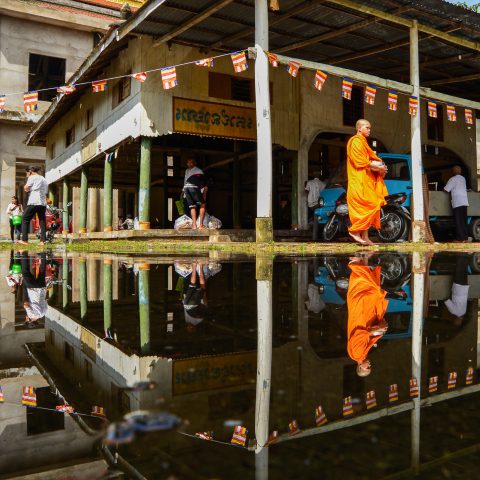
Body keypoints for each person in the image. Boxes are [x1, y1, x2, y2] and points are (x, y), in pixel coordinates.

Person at [346, 119, 388, 246]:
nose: (369, 130)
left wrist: (379, 168)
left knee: (371, 206)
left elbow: (368, 161)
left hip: (366, 180)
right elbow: (359, 162)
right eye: (367, 127)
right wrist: (378, 167)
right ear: (359, 128)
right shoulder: (355, 142)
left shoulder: (364, 143)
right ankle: (354, 231)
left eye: (370, 128)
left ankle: (365, 237)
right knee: (372, 205)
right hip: (358, 181)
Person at [347, 256, 389, 377]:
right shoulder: (362, 354)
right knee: (368, 285)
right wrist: (381, 328)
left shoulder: (357, 354)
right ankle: (363, 255)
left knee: (369, 288)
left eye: (367, 367)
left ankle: (356, 260)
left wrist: (377, 330)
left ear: (360, 367)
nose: (370, 365)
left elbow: (360, 334)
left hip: (361, 311)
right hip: (365, 312)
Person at [18, 166, 48, 245]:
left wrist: (27, 179)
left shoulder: (31, 177)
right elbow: (45, 190)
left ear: (30, 171)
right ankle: (43, 241)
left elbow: (26, 188)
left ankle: (24, 240)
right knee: (42, 220)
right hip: (43, 202)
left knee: (25, 218)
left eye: (27, 173)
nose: (26, 174)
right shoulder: (43, 178)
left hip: (34, 201)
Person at [21, 251, 48, 327]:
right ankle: (24, 252)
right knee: (25, 272)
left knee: (42, 271)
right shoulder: (31, 315)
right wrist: (27, 312)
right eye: (26, 320)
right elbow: (26, 305)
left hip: (42, 289)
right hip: (32, 289)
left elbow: (46, 301)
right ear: (29, 321)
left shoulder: (43, 314)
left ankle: (43, 251)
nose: (26, 318)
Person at [444, 165, 469, 242]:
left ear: (453, 172)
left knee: (458, 221)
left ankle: (460, 239)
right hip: (464, 202)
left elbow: (446, 189)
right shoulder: (463, 178)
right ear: (460, 171)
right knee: (463, 221)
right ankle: (465, 237)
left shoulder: (453, 179)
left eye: (452, 170)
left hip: (457, 202)